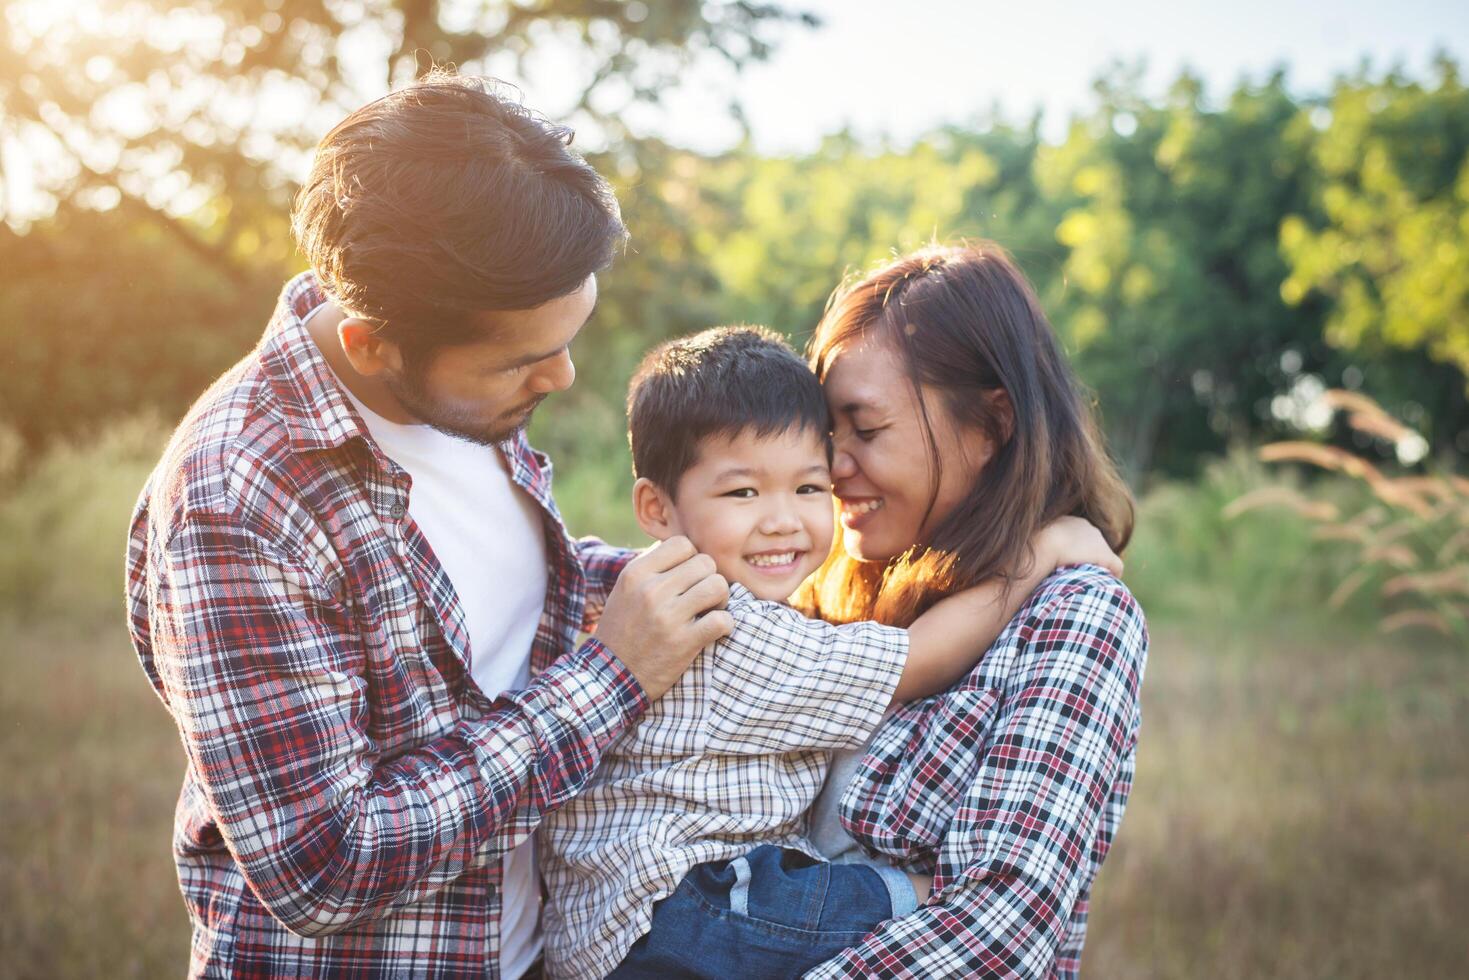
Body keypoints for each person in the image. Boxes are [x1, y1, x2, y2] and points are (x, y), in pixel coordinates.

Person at [124, 71, 732, 978]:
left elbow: (505, 601)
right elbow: (323, 863)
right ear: (373, 340)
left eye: (570, 337)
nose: (561, 379)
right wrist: (613, 677)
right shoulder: (237, 503)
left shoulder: (460, 392)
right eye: (524, 359)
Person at [538, 326, 1122, 979]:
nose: (782, 519)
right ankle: (922, 899)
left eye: (808, 488)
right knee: (853, 898)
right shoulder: (724, 626)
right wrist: (1038, 553)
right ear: (656, 506)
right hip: (678, 911)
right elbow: (913, 659)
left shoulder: (668, 601)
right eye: (742, 493)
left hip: (622, 926)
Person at [796, 242, 1149, 979]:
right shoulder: (827, 591)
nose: (833, 465)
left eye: (865, 429)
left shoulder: (1077, 615)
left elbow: (996, 932)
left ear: (990, 425)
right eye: (827, 432)